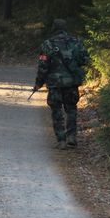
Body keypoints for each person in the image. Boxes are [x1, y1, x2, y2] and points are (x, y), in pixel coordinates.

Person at [33, 18, 89, 149]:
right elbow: (85, 60)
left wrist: (38, 83)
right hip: (71, 83)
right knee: (71, 109)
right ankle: (71, 137)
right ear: (65, 28)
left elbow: (43, 66)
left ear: (54, 28)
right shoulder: (76, 42)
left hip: (55, 84)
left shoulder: (47, 44)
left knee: (57, 111)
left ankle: (61, 140)